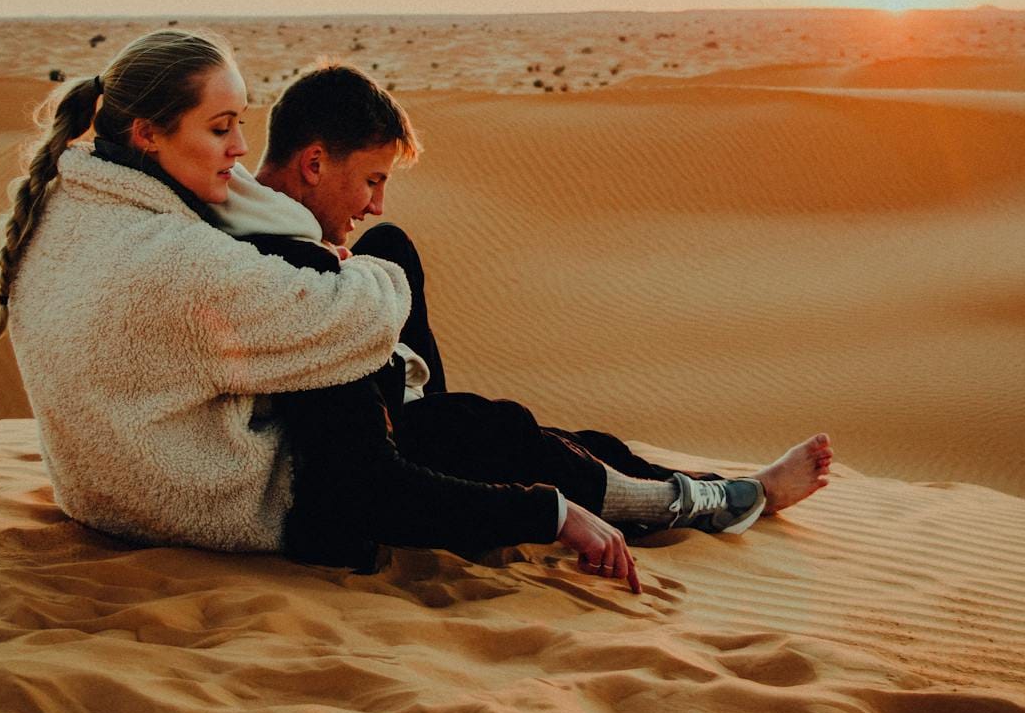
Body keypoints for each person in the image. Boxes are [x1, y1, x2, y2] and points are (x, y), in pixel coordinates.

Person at [0, 30, 830, 594]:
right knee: (497, 431)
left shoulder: (69, 209)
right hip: (239, 497)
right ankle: (719, 497)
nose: (240, 149)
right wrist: (372, 275)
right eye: (222, 127)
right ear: (147, 137)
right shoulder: (210, 262)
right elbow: (356, 436)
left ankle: (695, 486)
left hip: (124, 480)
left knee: (492, 424)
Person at [218, 65, 836, 590]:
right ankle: (708, 501)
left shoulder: (243, 200)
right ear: (316, 163)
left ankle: (713, 484)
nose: (375, 201)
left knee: (391, 247)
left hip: (379, 398)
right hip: (350, 452)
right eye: (373, 180)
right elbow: (355, 477)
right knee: (503, 432)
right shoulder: (298, 272)